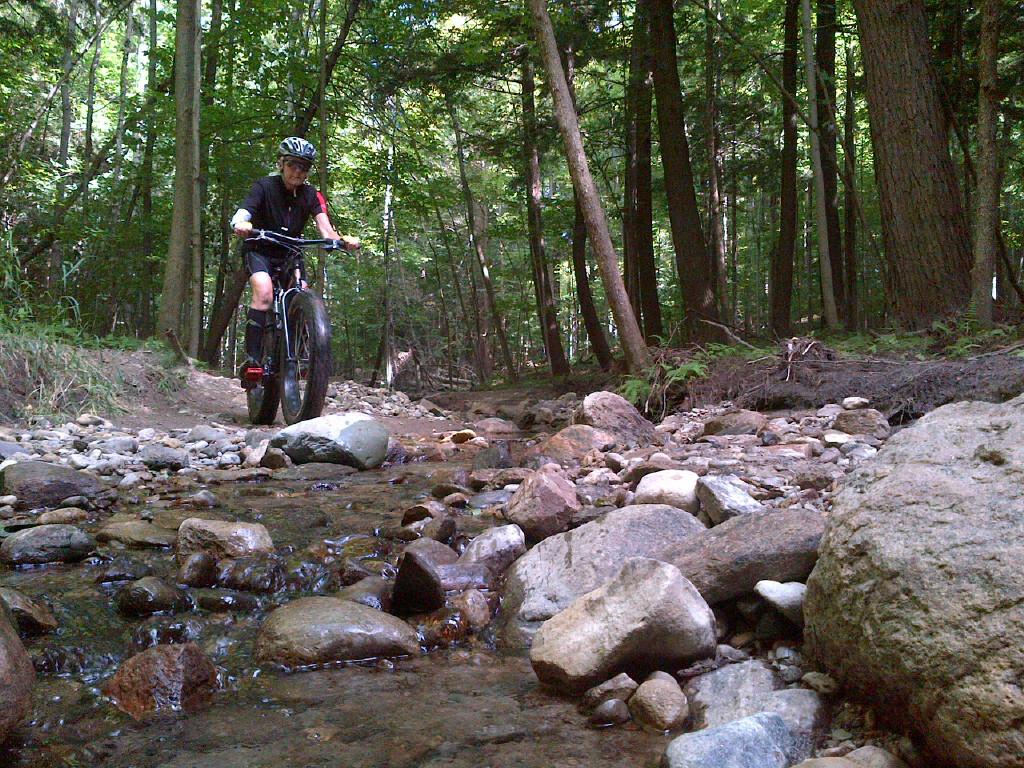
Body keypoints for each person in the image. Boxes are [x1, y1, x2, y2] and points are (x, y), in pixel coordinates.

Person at [230, 136, 358, 387]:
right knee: (265, 293)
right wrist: (241, 224)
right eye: (292, 165)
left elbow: (325, 228)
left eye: (304, 167)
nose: (297, 171)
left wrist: (341, 240)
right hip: (260, 250)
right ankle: (253, 360)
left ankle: (302, 354)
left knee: (303, 294)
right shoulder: (264, 186)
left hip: (291, 253)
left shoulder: (312, 195)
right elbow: (245, 211)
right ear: (281, 164)